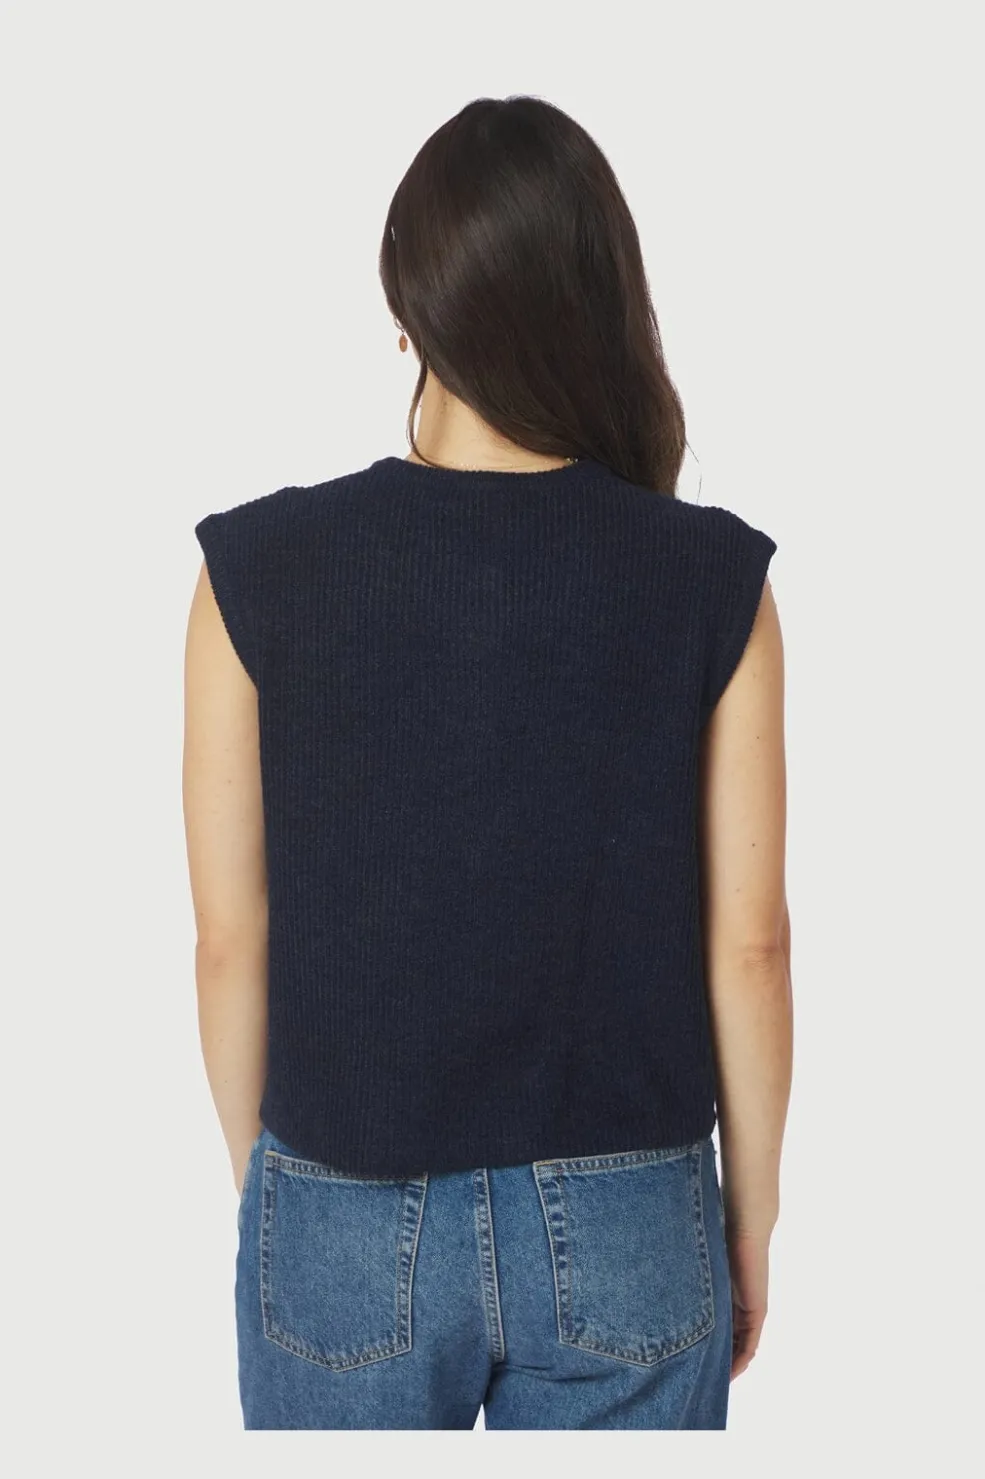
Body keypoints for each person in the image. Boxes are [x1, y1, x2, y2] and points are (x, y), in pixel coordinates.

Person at [182, 94, 793, 1432]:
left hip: (341, 1192)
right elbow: (750, 945)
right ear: (603, 306)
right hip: (635, 1217)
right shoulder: (712, 582)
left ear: (407, 309)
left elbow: (231, 940)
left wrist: (275, 1190)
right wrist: (749, 1217)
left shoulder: (256, 576)